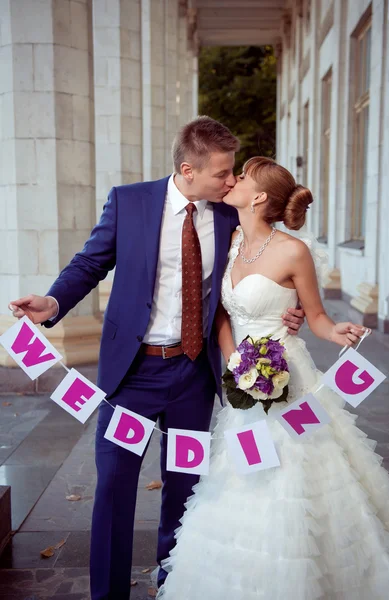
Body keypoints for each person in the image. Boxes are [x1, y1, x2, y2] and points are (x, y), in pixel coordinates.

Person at [8, 118, 305, 600]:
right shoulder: (130, 202)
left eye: (233, 173)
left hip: (195, 372)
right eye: (221, 173)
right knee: (113, 488)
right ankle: (108, 594)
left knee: (184, 487)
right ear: (188, 170)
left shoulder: (230, 215)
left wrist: (288, 312)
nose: (230, 182)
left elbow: (261, 266)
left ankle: (174, 584)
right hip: (132, 373)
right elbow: (90, 262)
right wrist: (54, 302)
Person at [158, 157, 389, 600]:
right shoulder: (228, 241)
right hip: (241, 380)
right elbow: (220, 317)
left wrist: (337, 331)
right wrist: (236, 365)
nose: (232, 182)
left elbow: (319, 317)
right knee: (241, 465)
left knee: (296, 464)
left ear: (259, 196)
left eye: (242, 178)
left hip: (289, 376)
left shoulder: (293, 251)